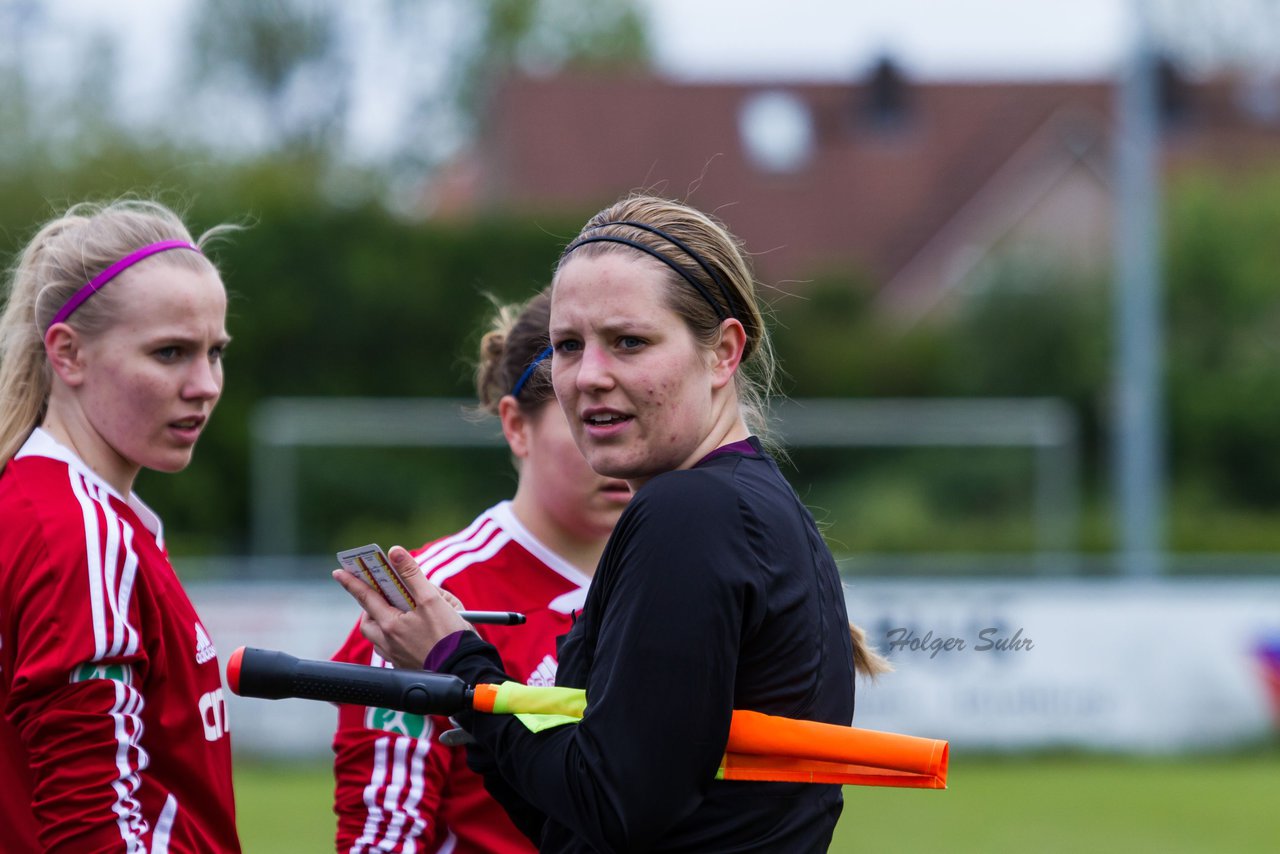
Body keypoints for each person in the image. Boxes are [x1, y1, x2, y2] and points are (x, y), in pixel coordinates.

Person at [335, 193, 890, 852]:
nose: (589, 376)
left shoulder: (690, 513)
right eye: (568, 346)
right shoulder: (749, 506)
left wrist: (460, 666)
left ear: (723, 353)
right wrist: (486, 717)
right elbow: (578, 821)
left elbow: (612, 805)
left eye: (629, 342)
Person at [330, 289, 632, 852]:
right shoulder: (426, 599)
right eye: (587, 419)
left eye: (628, 418)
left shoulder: (675, 579)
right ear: (516, 426)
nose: (612, 446)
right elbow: (382, 836)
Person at [0, 199, 241, 852]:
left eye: (214, 352)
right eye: (170, 353)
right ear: (69, 354)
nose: (205, 384)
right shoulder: (82, 536)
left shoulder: (39, 505)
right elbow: (92, 826)